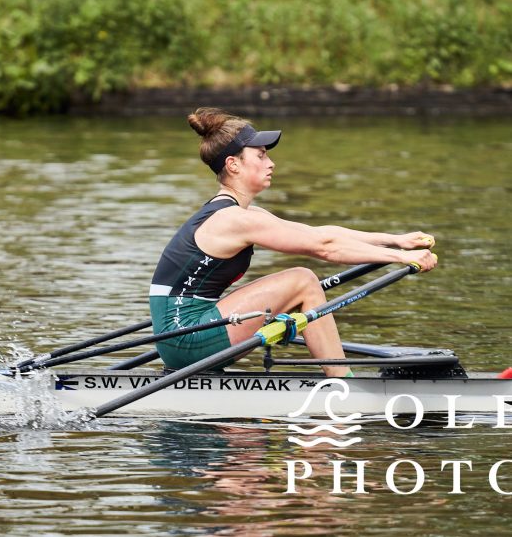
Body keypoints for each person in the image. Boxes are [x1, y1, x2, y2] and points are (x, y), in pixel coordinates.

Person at [149, 107, 437, 377]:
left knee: (302, 283)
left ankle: (339, 378)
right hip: (184, 338)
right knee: (302, 280)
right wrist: (400, 258)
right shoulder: (233, 219)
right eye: (261, 156)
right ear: (233, 165)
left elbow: (320, 233)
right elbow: (325, 247)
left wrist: (396, 241)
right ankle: (342, 382)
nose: (271, 163)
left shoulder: (244, 214)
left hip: (185, 334)